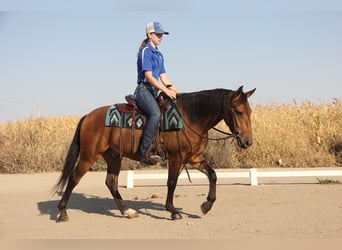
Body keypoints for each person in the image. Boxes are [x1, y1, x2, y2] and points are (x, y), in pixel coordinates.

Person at [135, 21, 180, 165]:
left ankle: (163, 147)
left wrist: (177, 91)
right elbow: (149, 76)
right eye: (158, 34)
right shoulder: (145, 51)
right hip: (144, 90)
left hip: (154, 91)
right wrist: (165, 90)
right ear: (149, 35)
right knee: (155, 114)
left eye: (162, 34)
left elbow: (164, 77)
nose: (161, 37)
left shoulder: (159, 55)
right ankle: (144, 152)